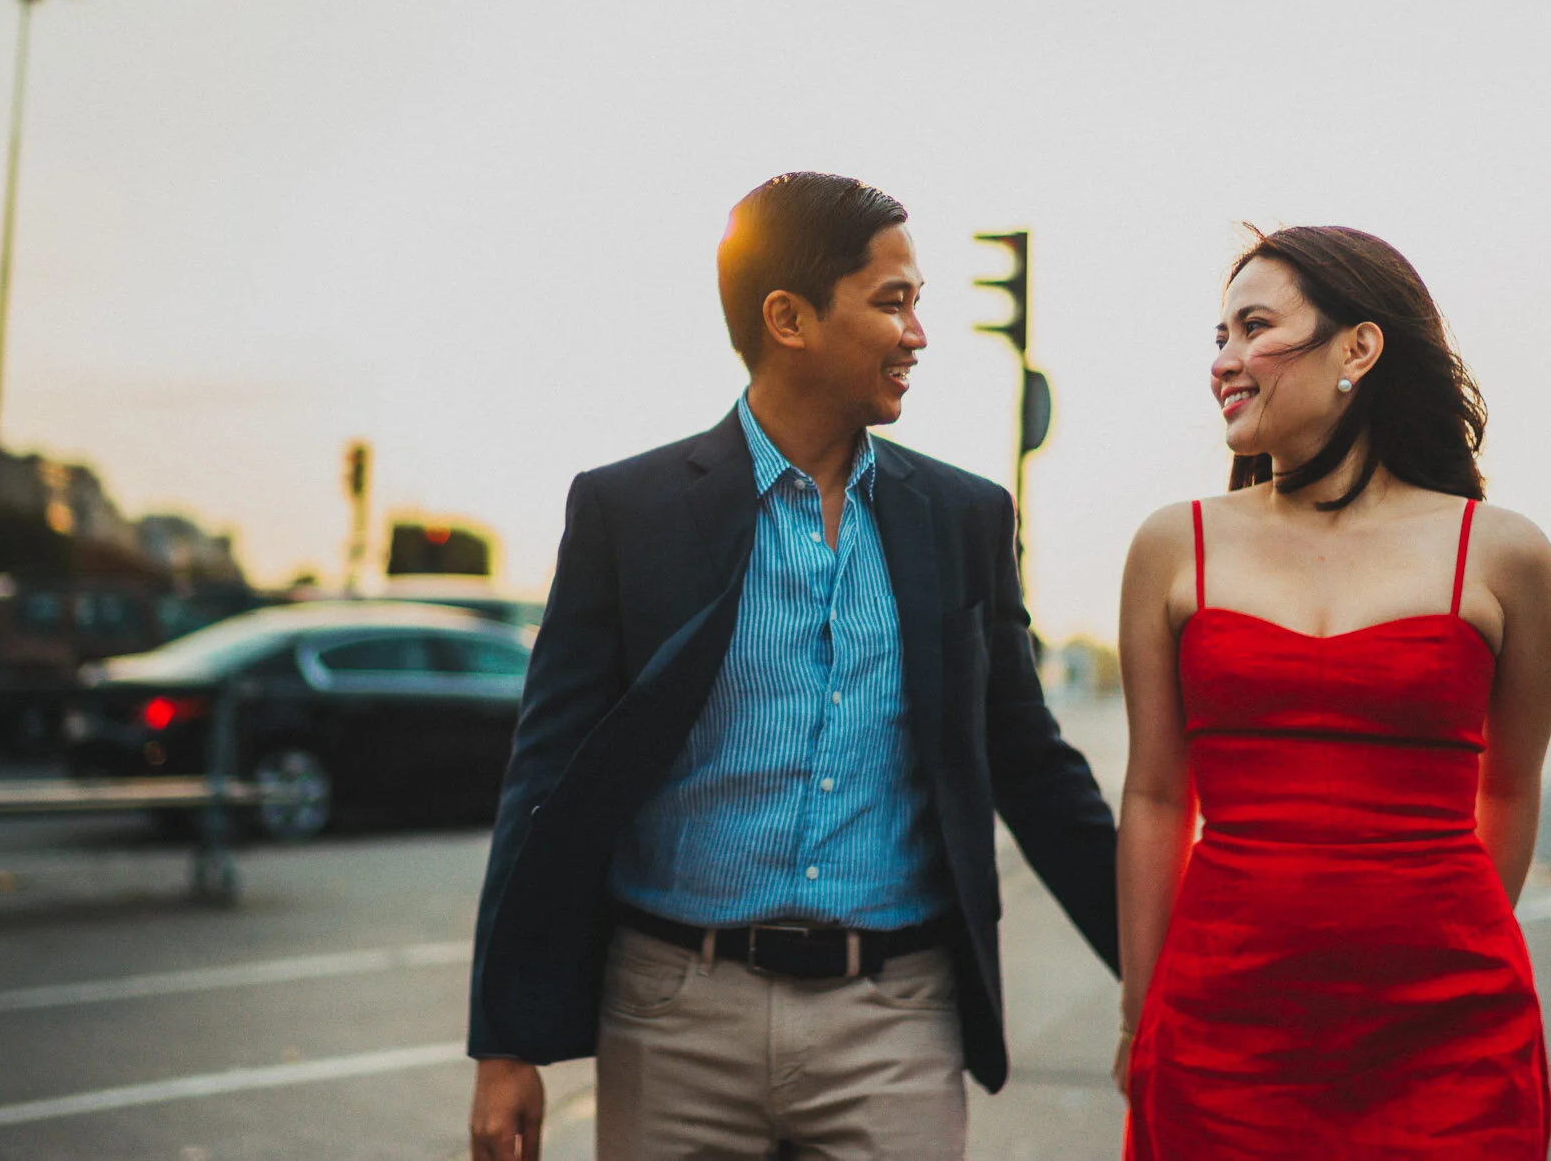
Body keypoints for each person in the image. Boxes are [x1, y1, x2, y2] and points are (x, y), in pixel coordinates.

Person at [467, 172, 1120, 1161]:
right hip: (672, 1015)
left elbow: (1031, 766)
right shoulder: (626, 511)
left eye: (919, 302)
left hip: (893, 1020)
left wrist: (1167, 973)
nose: (918, 332)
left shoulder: (962, 518)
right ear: (789, 317)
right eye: (891, 299)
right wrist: (505, 1039)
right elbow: (545, 777)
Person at [1115, 226, 1551, 1157]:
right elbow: (1158, 798)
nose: (1225, 361)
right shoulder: (1173, 544)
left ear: (1358, 347)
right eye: (1218, 338)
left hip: (1451, 1037)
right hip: (1219, 1026)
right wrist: (1138, 1010)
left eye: (1254, 327)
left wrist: (1438, 946)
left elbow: (1511, 790)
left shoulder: (1505, 553)